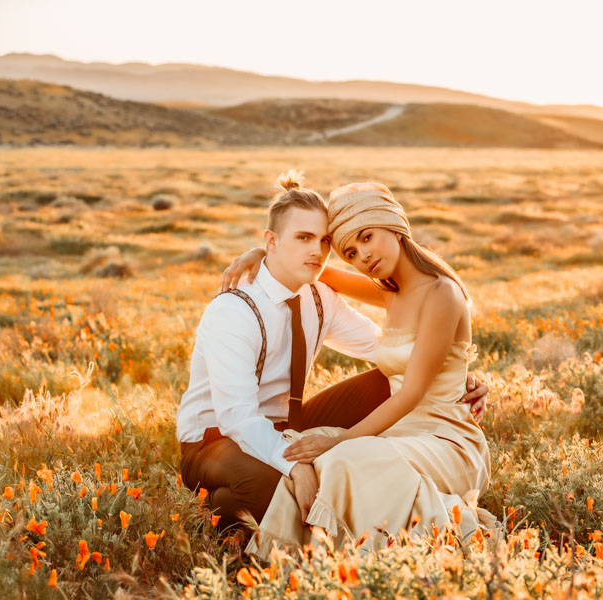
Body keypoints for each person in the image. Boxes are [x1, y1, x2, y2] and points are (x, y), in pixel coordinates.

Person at [176, 171, 488, 531]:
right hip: (216, 438)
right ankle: (248, 514)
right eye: (303, 238)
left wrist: (458, 372)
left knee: (378, 384)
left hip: (286, 425)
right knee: (274, 486)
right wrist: (296, 465)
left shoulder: (319, 296)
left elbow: (388, 350)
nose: (316, 251)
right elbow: (238, 418)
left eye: (324, 242)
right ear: (272, 242)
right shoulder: (233, 311)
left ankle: (243, 508)